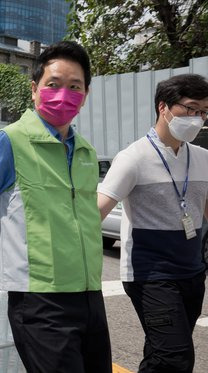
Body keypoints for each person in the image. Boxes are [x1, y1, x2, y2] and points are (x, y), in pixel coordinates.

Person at [0, 41, 111, 373]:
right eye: (53, 85)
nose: (63, 94)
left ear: (85, 95)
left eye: (75, 87)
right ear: (34, 89)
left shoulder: (84, 151)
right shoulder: (8, 143)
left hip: (90, 294)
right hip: (39, 300)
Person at [98, 74, 208, 373]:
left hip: (193, 272)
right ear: (164, 107)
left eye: (203, 112)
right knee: (175, 356)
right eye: (191, 108)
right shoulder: (132, 157)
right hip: (150, 275)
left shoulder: (202, 158)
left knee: (163, 352)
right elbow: (96, 211)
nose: (198, 118)